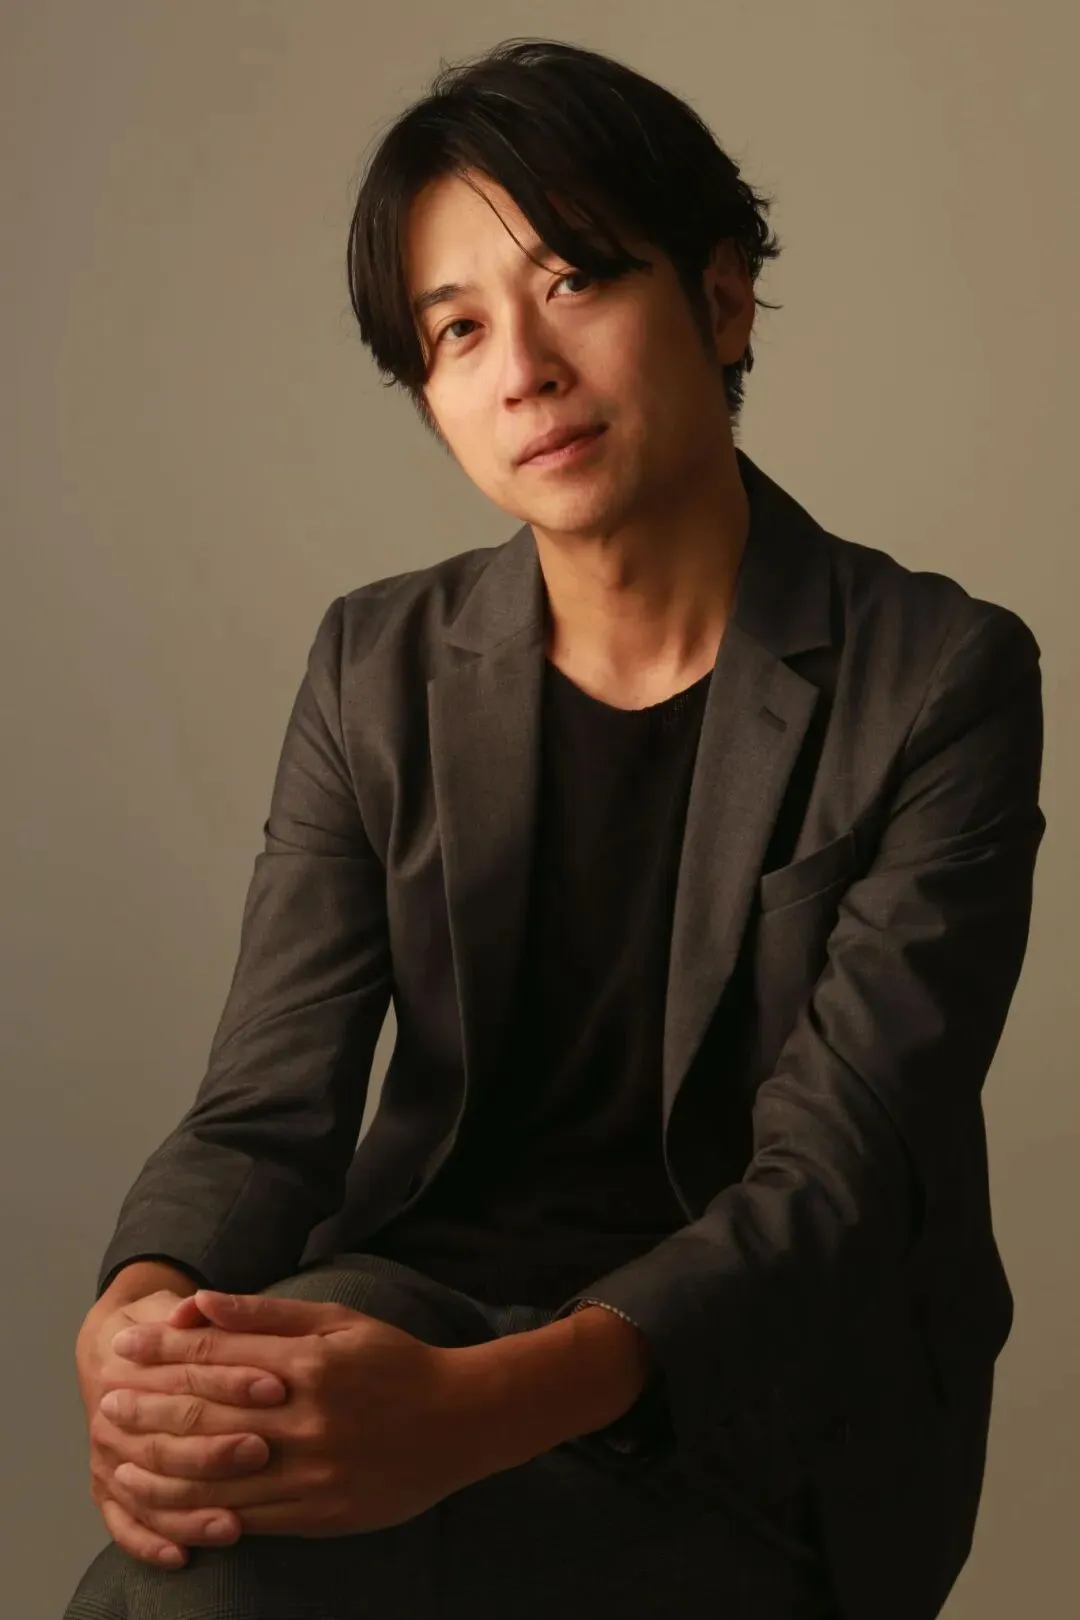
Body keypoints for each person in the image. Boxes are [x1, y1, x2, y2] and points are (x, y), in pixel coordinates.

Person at [64, 35, 1045, 1620]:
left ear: (721, 300)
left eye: (575, 281)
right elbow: (264, 1111)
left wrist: (475, 1414)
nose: (520, 367)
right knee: (191, 1544)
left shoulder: (939, 676)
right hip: (420, 1310)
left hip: (753, 1401)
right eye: (456, 330)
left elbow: (840, 1182)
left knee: (193, 1593)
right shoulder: (376, 663)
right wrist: (142, 1319)